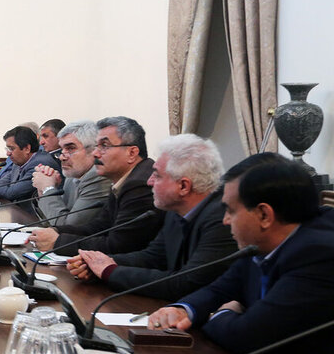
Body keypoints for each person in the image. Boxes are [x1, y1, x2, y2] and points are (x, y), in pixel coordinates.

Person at [147, 154, 334, 354]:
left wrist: (219, 314)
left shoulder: (320, 255)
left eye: (230, 210)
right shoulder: (262, 242)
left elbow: (247, 336)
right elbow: (221, 288)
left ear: (264, 215)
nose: (225, 221)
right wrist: (184, 310)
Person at [66, 134, 238, 300]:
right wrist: (97, 263)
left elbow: (185, 283)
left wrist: (109, 271)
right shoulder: (176, 210)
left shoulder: (223, 220)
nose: (149, 181)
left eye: (157, 175)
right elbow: (153, 257)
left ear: (183, 186)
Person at [30, 116, 164, 256]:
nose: (95, 153)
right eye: (97, 146)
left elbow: (119, 245)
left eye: (104, 146)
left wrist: (58, 242)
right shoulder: (122, 180)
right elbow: (98, 227)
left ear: (131, 153)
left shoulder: (140, 185)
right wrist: (56, 231)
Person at [33, 120, 111, 228]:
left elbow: (68, 227)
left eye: (70, 149)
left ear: (94, 150)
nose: (62, 157)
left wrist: (48, 189)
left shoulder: (98, 177)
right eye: (62, 150)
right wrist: (42, 191)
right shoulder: (71, 176)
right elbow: (50, 223)